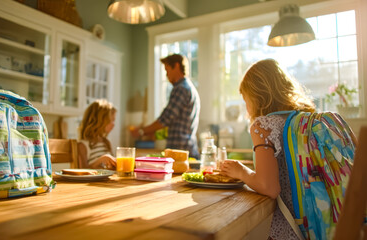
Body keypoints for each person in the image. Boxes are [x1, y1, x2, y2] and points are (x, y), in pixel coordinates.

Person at [220, 59, 316, 239]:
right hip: (318, 220)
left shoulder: (263, 125)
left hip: (291, 227)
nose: (246, 107)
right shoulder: (304, 120)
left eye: (245, 100)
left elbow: (269, 187)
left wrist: (241, 171)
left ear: (257, 97)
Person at [130, 54, 200, 159]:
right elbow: (174, 122)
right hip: (187, 148)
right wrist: (154, 133)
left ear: (176, 66)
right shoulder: (189, 87)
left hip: (180, 152)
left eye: (167, 70)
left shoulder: (180, 88)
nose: (167, 75)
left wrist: (141, 131)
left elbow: (166, 119)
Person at [78, 99, 117, 169]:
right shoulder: (83, 145)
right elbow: (82, 171)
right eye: (112, 120)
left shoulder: (106, 143)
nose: (114, 124)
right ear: (99, 121)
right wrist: (101, 160)